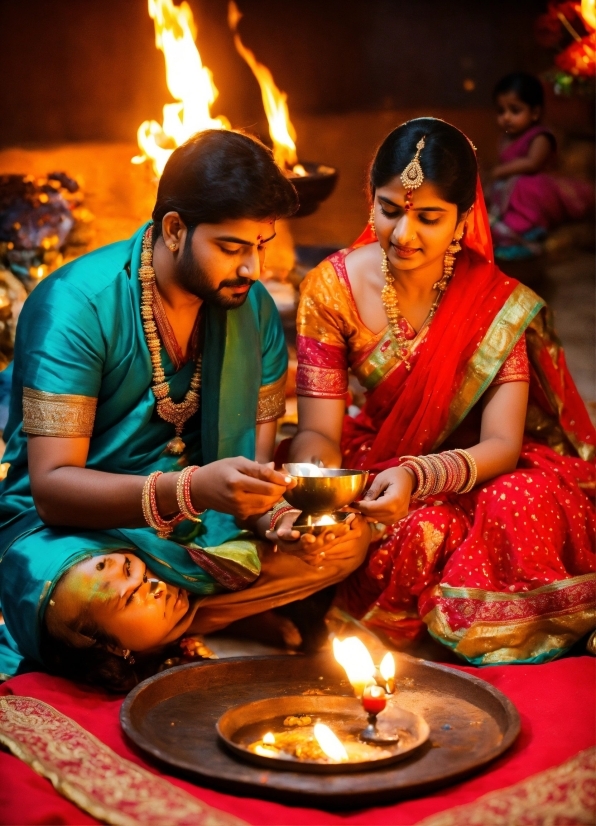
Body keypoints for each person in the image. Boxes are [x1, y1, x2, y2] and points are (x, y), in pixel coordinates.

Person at [0, 129, 370, 689]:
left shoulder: (256, 313)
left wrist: (280, 517)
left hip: (206, 529)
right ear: (174, 229)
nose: (252, 268)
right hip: (81, 533)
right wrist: (189, 490)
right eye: (231, 247)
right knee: (90, 595)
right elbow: (51, 490)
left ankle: (162, 630)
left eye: (261, 246)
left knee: (346, 543)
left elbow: (254, 474)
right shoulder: (76, 306)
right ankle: (192, 619)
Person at [289, 117, 595, 665]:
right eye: (389, 210)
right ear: (371, 200)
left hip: (479, 466)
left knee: (521, 501)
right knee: (414, 530)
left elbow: (502, 444)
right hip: (379, 461)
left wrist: (418, 474)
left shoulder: (496, 302)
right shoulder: (328, 290)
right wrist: (321, 492)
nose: (404, 235)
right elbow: (316, 430)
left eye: (429, 217)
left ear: (462, 219)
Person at [487, 72, 594, 261]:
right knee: (498, 188)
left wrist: (500, 171)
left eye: (515, 110)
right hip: (512, 186)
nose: (507, 118)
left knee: (522, 185)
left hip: (539, 188)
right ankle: (504, 228)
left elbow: (532, 163)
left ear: (535, 112)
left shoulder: (540, 136)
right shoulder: (505, 138)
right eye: (501, 111)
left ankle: (527, 231)